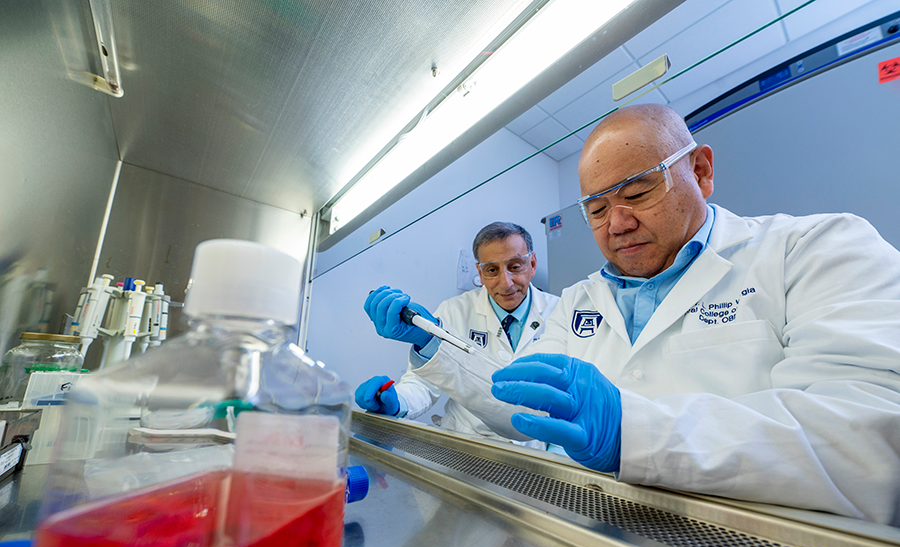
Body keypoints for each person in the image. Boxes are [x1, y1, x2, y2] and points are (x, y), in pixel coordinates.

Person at [423, 104, 900, 525]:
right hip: (595, 541)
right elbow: (525, 407)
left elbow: (867, 438)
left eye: (637, 193)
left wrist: (632, 431)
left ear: (701, 169)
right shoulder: (577, 302)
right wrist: (431, 349)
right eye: (597, 209)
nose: (618, 223)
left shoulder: (818, 249)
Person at [357, 222, 559, 447]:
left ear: (531, 264)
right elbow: (424, 384)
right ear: (480, 273)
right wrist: (399, 403)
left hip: (537, 451)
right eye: (492, 270)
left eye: (515, 266)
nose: (506, 282)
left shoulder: (561, 313)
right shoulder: (454, 311)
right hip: (468, 447)